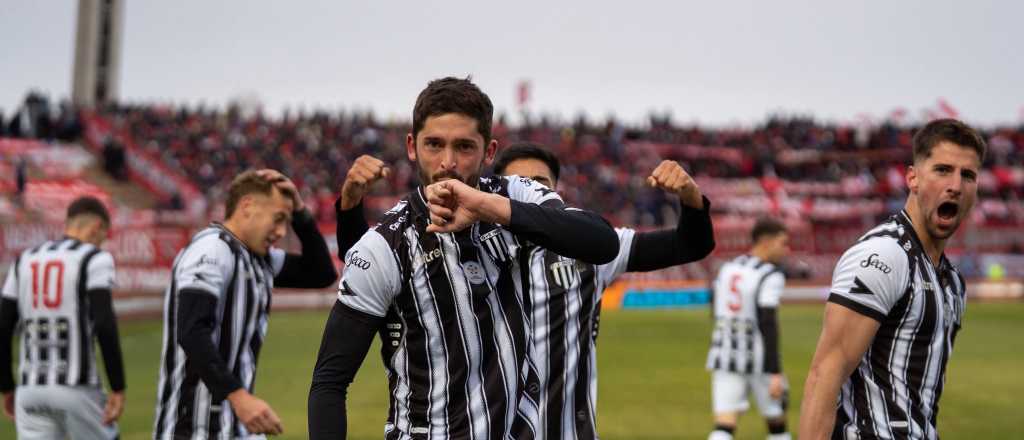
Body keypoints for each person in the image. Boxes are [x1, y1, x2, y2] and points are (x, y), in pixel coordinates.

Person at [307, 77, 621, 439]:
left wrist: (486, 207)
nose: (448, 163)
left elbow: (601, 241)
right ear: (412, 146)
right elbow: (330, 382)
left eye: (465, 147)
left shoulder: (513, 194)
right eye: (434, 145)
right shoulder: (385, 245)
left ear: (489, 152)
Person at [333, 142, 716, 439]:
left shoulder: (592, 253)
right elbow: (369, 274)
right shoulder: (455, 261)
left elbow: (688, 246)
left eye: (541, 186)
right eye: (521, 186)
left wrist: (691, 200)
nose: (530, 193)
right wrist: (350, 209)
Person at [799, 119, 985, 440]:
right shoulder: (885, 255)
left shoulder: (953, 282)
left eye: (967, 175)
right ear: (912, 177)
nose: (955, 184)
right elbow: (824, 375)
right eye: (942, 170)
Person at [153, 169, 336, 439]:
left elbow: (322, 273)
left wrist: (299, 211)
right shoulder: (212, 250)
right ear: (247, 206)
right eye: (278, 219)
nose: (281, 231)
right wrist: (240, 398)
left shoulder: (258, 258)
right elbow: (192, 331)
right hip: (194, 429)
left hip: (236, 426)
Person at [0, 196, 126, 439]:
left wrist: (6, 386)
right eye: (103, 236)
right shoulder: (94, 258)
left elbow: (3, 326)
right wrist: (118, 387)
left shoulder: (24, 260)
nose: (101, 243)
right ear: (96, 227)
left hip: (30, 390)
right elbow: (105, 323)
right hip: (77, 388)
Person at [706, 218, 791, 440]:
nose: (786, 249)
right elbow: (768, 321)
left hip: (724, 353)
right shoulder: (771, 275)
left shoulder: (728, 268)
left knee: (724, 425)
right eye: (782, 243)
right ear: (766, 242)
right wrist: (775, 371)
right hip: (759, 358)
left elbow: (714, 307)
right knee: (777, 423)